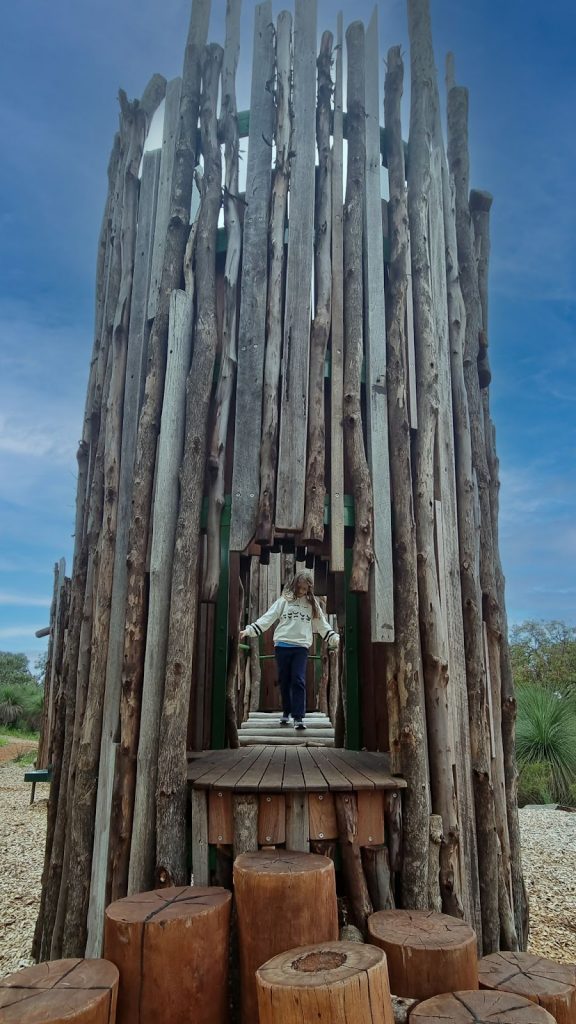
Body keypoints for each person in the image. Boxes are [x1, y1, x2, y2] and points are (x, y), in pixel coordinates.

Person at [239, 570, 339, 731]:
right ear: (295, 585)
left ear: (309, 588)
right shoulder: (284, 601)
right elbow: (268, 617)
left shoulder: (312, 604)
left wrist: (335, 639)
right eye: (300, 588)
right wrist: (249, 630)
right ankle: (286, 711)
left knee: (298, 680)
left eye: (305, 589)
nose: (302, 591)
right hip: (282, 645)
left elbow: (323, 626)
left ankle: (298, 717)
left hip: (301, 647)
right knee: (284, 681)